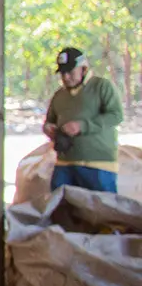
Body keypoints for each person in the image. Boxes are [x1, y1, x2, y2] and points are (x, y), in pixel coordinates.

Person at [45, 47, 125, 194]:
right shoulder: (59, 95)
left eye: (71, 72)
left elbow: (116, 115)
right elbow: (50, 120)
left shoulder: (102, 86)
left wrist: (83, 126)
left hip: (98, 164)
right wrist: (49, 128)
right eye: (62, 73)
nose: (66, 77)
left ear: (83, 69)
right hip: (64, 163)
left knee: (102, 206)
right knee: (59, 204)